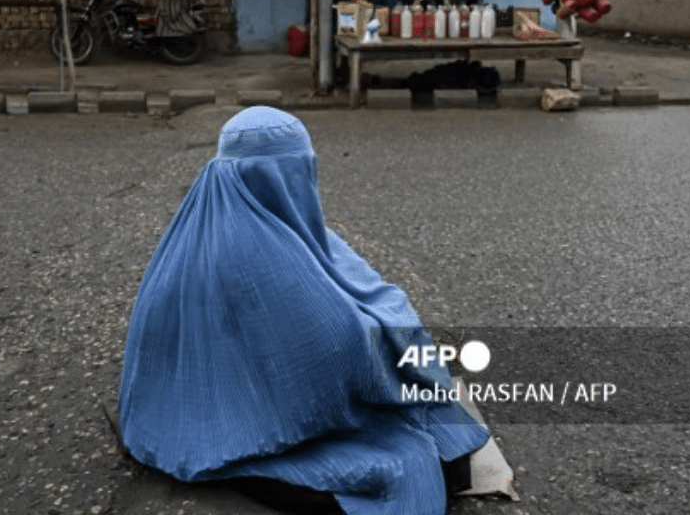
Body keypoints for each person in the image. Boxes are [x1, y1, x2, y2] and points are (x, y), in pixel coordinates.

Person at [118, 106, 489, 515]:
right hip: (246, 424)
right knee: (420, 457)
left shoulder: (210, 222)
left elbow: (354, 281)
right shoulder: (259, 257)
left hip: (161, 411)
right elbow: (339, 353)